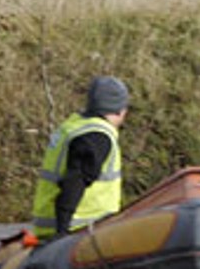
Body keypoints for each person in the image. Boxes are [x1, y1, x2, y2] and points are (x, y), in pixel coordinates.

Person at [31, 75, 129, 240]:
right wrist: (62, 233)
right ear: (120, 110)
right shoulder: (98, 137)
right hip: (80, 231)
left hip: (52, 227)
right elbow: (74, 182)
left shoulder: (74, 125)